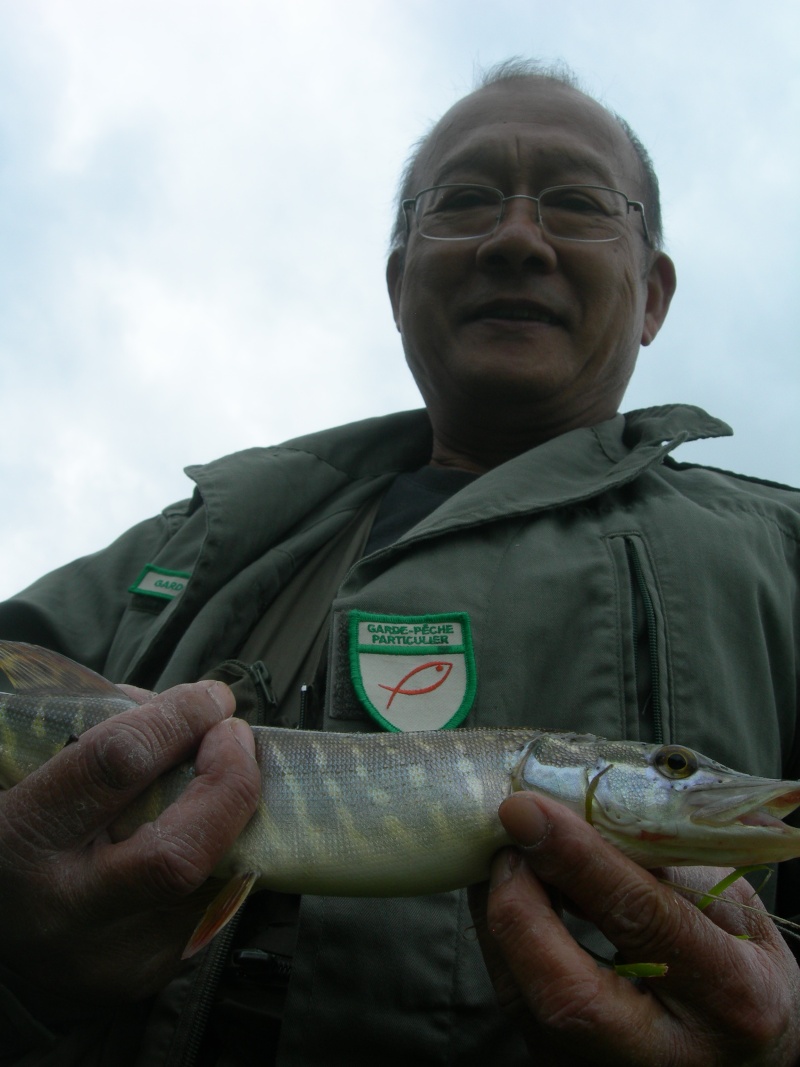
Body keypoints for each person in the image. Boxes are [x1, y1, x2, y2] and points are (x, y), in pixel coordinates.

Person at [1, 57, 799, 1066]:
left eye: (576, 202)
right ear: (397, 280)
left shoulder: (783, 558)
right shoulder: (195, 542)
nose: (516, 237)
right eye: (464, 201)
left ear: (651, 293)